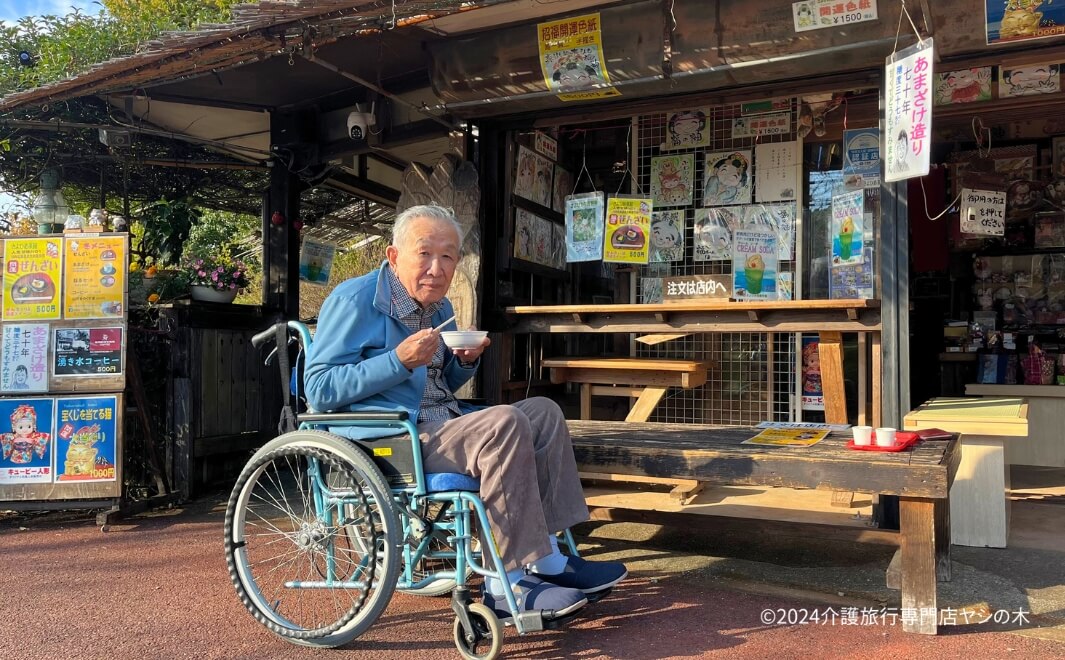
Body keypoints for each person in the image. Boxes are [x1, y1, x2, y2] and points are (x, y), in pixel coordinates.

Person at [304, 205, 626, 623]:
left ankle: (549, 563)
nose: (436, 269)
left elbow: (437, 387)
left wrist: (464, 362)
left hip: (441, 427)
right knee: (504, 423)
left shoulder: (437, 309)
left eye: (448, 256)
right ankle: (503, 585)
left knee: (543, 412)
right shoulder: (355, 300)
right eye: (425, 254)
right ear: (393, 255)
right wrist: (397, 360)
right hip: (388, 440)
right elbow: (319, 389)